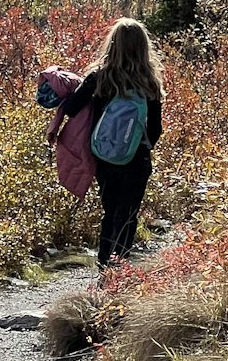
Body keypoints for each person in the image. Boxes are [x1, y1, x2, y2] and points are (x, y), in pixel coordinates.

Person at [58, 17, 164, 266]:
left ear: (112, 44)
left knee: (110, 210)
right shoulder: (148, 82)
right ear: (142, 47)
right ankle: (120, 266)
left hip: (104, 156)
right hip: (136, 158)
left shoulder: (100, 77)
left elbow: (72, 108)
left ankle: (105, 264)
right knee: (128, 214)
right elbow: (155, 128)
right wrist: (142, 147)